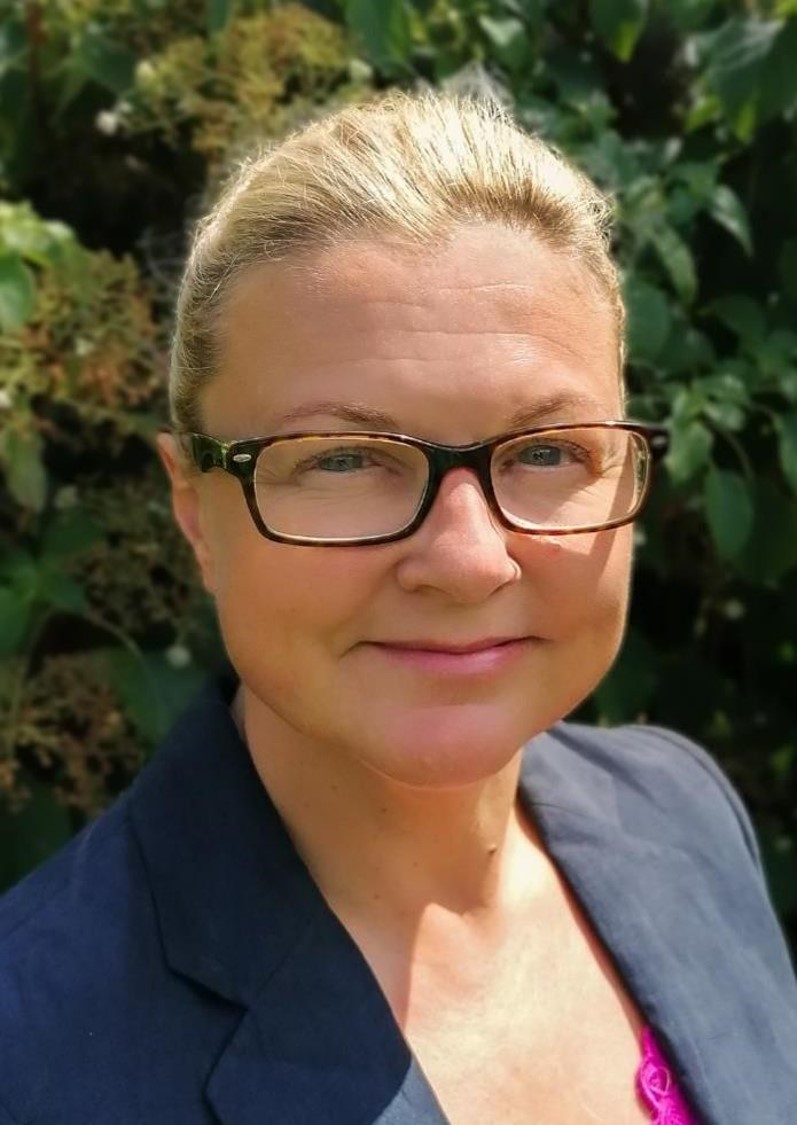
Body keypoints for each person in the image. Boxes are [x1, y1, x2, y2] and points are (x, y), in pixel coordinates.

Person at [0, 92, 795, 1125]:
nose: (466, 562)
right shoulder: (33, 1052)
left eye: (547, 450)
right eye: (341, 460)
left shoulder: (680, 810)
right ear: (193, 510)